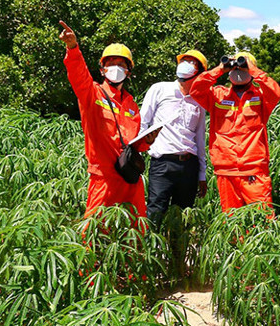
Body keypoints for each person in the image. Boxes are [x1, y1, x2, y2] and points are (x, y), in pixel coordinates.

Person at [58, 21, 158, 218]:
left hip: (129, 177)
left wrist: (147, 141)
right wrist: (72, 48)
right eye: (110, 64)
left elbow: (134, 143)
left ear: (128, 71)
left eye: (121, 64)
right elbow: (79, 75)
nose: (116, 68)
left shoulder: (131, 104)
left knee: (135, 232)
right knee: (95, 233)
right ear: (102, 68)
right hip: (103, 178)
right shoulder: (92, 93)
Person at [189, 51, 280, 213]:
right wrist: (220, 69)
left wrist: (252, 69)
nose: (239, 70)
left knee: (262, 219)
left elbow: (275, 91)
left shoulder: (260, 96)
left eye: (243, 66)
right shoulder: (217, 95)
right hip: (226, 170)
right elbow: (196, 89)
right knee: (233, 223)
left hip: (254, 170)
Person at [139, 49, 209, 227]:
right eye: (183, 60)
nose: (185, 64)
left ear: (199, 73)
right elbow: (142, 122)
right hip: (162, 162)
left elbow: (200, 138)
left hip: (189, 165)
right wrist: (137, 155)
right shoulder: (160, 89)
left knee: (183, 215)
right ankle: (151, 251)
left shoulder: (199, 101)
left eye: (192, 62)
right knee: (155, 211)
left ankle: (177, 253)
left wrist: (202, 174)